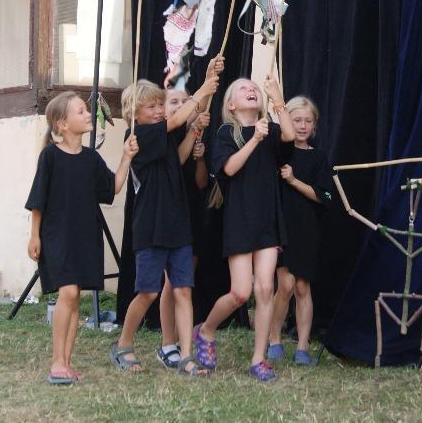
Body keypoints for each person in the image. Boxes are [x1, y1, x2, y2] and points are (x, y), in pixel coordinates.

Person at [110, 56, 222, 377]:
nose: (160, 111)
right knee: (147, 291)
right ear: (134, 114)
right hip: (151, 226)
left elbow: (179, 157)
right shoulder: (138, 137)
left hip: (178, 224)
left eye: (161, 105)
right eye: (152, 107)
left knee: (183, 289)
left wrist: (195, 130)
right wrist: (202, 87)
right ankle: (124, 344)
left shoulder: (163, 138)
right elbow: (175, 121)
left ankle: (186, 355)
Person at [25, 91, 137, 385]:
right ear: (62, 124)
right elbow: (38, 199)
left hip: (85, 235)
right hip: (56, 235)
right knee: (69, 294)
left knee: (75, 299)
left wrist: (126, 157)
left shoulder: (91, 158)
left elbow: (111, 188)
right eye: (80, 112)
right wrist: (34, 235)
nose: (89, 115)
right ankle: (56, 362)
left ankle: (66, 362)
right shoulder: (50, 156)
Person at [194, 75, 295, 382]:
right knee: (240, 292)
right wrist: (254, 139)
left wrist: (278, 99)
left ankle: (259, 358)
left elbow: (290, 137)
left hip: (267, 220)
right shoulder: (227, 133)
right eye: (243, 89)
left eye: (254, 88)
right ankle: (206, 330)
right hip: (240, 220)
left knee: (265, 289)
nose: (251, 90)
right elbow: (228, 169)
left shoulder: (271, 129)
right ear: (232, 104)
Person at [268, 96, 332, 366]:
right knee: (286, 284)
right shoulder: (280, 151)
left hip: (307, 228)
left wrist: (294, 180)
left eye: (308, 121)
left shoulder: (318, 157)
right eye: (297, 120)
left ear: (314, 125)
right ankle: (274, 339)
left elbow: (323, 196)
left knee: (303, 286)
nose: (303, 126)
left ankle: (303, 346)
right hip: (281, 226)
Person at [154, 87, 211, 370]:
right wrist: (191, 135)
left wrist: (200, 157)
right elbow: (175, 163)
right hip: (169, 214)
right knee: (171, 282)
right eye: (173, 101)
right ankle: (168, 342)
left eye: (184, 101)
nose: (179, 105)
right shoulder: (163, 135)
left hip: (192, 210)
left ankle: (181, 341)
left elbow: (201, 183)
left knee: (184, 280)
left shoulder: (194, 132)